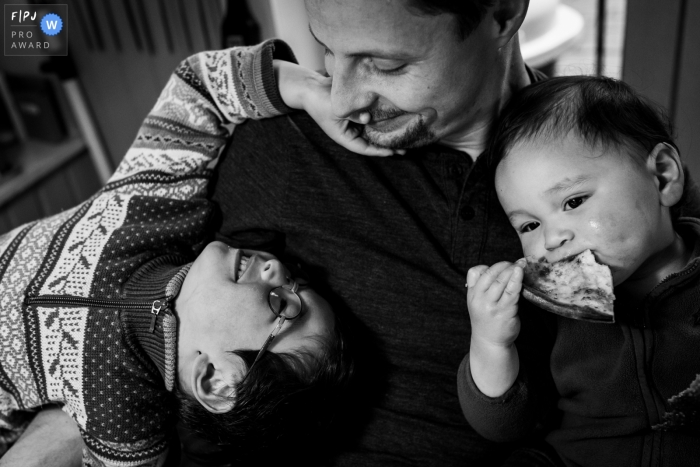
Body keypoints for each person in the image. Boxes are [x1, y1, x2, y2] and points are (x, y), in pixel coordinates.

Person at [209, 1, 554, 465]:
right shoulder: (282, 145)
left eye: (387, 65)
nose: (343, 102)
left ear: (504, 14)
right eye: (328, 50)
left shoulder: (601, 165)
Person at [0, 43, 352, 466]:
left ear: (218, 382)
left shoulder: (128, 426)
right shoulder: (158, 209)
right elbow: (198, 88)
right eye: (296, 277)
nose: (277, 267)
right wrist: (310, 90)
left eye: (284, 304)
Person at [460, 75, 700, 466]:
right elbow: (503, 426)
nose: (551, 239)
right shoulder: (545, 310)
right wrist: (491, 343)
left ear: (662, 176)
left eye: (572, 201)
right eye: (529, 226)